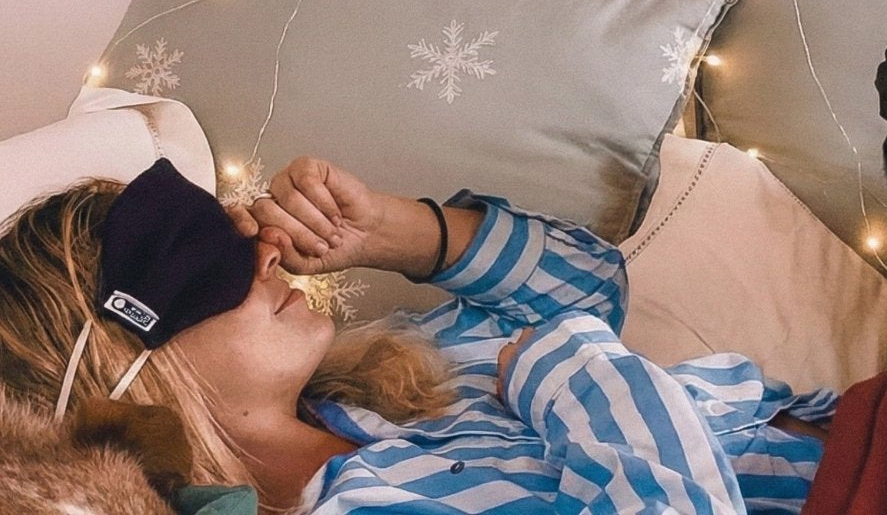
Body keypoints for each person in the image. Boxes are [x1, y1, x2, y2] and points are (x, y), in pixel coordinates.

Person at [0, 156, 831, 514]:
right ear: (123, 362)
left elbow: (595, 284)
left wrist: (396, 235)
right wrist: (578, 373)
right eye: (204, 263)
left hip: (884, 418)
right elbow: (580, 338)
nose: (260, 250)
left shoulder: (410, 365)